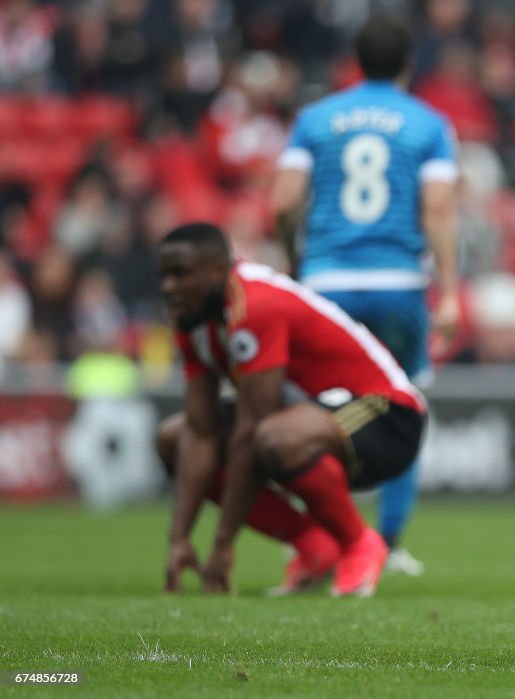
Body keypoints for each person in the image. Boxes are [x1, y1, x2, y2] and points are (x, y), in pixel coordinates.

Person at [271, 15, 459, 576]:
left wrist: (295, 261)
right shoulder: (428, 123)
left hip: (326, 282)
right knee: (402, 407)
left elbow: (283, 203)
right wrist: (448, 291)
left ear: (355, 59)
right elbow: (439, 209)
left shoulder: (315, 119)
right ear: (409, 61)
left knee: (313, 410)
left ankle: (323, 536)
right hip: (398, 284)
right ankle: (391, 541)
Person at [158, 222, 425, 597]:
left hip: (388, 413)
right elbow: (201, 431)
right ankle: (315, 545)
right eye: (165, 275)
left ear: (218, 269)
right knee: (174, 438)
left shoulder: (255, 305)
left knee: (273, 436)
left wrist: (222, 546)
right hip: (305, 417)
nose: (168, 286)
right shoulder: (194, 317)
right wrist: (179, 539)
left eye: (180, 274)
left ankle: (359, 543)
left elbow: (253, 428)